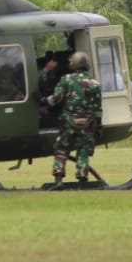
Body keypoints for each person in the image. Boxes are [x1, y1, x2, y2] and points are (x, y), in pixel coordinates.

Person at [43, 52, 103, 188]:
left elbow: (56, 99)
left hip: (68, 122)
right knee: (83, 150)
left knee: (62, 149)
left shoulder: (66, 79)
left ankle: (58, 180)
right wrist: (98, 126)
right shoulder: (94, 83)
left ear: (73, 64)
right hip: (87, 123)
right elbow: (98, 109)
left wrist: (43, 101)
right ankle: (82, 178)